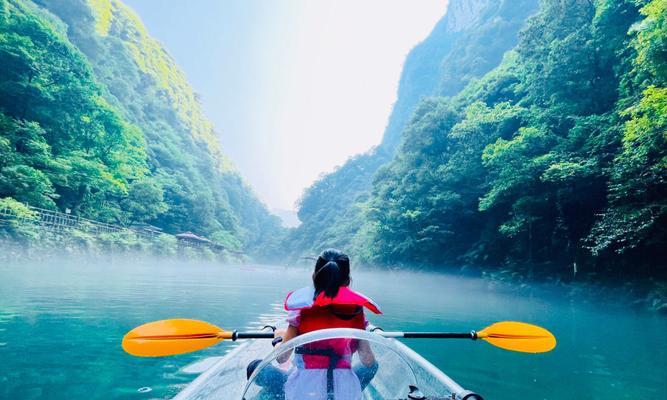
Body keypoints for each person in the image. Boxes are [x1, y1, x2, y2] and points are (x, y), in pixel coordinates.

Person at [247, 249, 382, 400]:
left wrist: (279, 339)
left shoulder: (301, 308)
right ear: (348, 280)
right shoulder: (356, 310)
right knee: (374, 365)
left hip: (304, 391)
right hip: (344, 392)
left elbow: (282, 358)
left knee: (255, 366)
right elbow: (367, 360)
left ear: (314, 276)